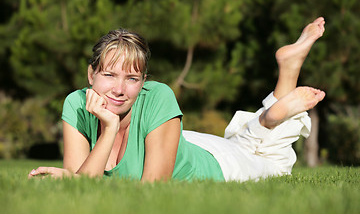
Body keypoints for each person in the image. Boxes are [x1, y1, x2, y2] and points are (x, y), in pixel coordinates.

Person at [28, 17, 326, 182]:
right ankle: (280, 89)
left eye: (132, 78)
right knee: (247, 143)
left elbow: (151, 190)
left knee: (274, 166)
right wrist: (107, 129)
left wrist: (72, 177)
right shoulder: (76, 104)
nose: (119, 89)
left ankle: (274, 105)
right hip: (183, 142)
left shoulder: (158, 96)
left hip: (217, 164)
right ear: (90, 74)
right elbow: (83, 186)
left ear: (143, 82)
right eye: (109, 75)